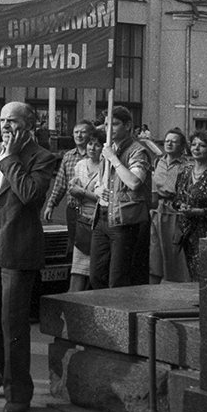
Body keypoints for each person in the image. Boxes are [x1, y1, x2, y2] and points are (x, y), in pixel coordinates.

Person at [0, 102, 57, 412]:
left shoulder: (42, 157)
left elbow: (31, 195)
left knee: (13, 322)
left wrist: (11, 159)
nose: (6, 126)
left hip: (17, 244)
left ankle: (18, 393)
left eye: (13, 121)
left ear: (29, 124)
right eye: (3, 120)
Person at [90, 105, 152, 290]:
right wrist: (98, 189)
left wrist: (114, 159)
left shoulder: (137, 151)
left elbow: (134, 182)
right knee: (96, 274)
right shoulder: (108, 150)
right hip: (102, 217)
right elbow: (99, 182)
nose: (110, 129)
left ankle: (117, 316)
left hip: (124, 220)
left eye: (115, 124)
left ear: (128, 125)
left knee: (118, 278)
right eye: (107, 124)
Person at [174, 130, 207, 278]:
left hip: (206, 232)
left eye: (202, 145)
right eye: (194, 145)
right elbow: (176, 199)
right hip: (187, 232)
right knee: (191, 273)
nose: (196, 148)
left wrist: (199, 211)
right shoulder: (184, 172)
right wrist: (181, 206)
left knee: (206, 274)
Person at [44, 120, 97, 260]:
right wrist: (51, 205)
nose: (79, 135)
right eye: (76, 132)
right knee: (74, 247)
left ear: (90, 135)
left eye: (83, 132)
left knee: (92, 249)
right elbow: (60, 184)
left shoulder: (97, 156)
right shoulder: (68, 157)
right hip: (73, 210)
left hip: (91, 211)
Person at [149, 128, 190, 284]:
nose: (170, 144)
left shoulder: (186, 165)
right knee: (155, 252)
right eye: (167, 141)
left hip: (175, 211)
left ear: (182, 146)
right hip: (157, 209)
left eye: (174, 141)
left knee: (173, 253)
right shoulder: (158, 161)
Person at [66, 130, 103, 292]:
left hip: (98, 221)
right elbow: (73, 190)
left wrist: (80, 191)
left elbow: (103, 198)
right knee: (78, 270)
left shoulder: (106, 167)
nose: (92, 148)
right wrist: (74, 190)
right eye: (90, 144)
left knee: (96, 271)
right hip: (83, 223)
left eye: (97, 145)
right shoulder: (80, 165)